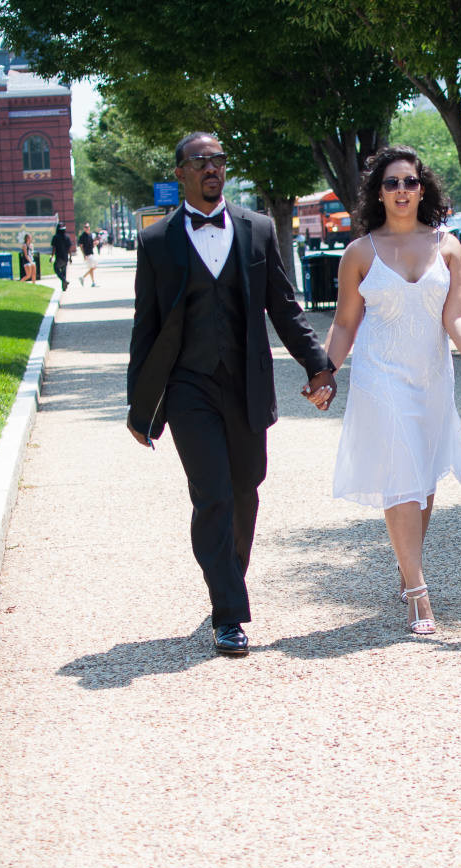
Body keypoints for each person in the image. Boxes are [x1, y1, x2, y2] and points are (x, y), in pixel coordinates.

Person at [126, 131, 337, 658]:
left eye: (217, 160)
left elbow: (285, 308)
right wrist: (140, 405)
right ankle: (229, 614)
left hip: (245, 382)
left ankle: (227, 580)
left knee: (246, 489)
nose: (210, 168)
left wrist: (318, 365)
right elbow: (145, 328)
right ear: (180, 174)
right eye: (199, 161)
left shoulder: (257, 229)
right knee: (213, 493)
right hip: (188, 385)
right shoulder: (157, 243)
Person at [322, 145, 461, 636]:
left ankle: (407, 569)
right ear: (377, 193)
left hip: (431, 378)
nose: (401, 190)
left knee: (422, 484)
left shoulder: (447, 247)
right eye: (391, 183)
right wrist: (324, 373)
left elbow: (459, 317)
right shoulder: (359, 252)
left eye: (409, 181)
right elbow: (344, 324)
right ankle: (418, 594)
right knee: (401, 474)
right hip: (379, 377)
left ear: (422, 189)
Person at [50, 223, 73, 290]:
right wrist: (70, 257)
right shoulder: (67, 237)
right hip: (65, 257)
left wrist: (52, 257)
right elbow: (69, 249)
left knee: (56, 269)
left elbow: (54, 248)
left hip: (59, 257)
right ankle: (64, 286)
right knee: (64, 271)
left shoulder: (55, 237)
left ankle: (64, 281)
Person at [78, 222, 98, 287]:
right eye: (85, 227)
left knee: (92, 268)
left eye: (87, 227)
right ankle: (84, 278)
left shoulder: (90, 235)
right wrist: (84, 255)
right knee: (94, 267)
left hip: (91, 253)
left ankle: (91, 281)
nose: (87, 228)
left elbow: (91, 245)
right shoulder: (82, 236)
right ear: (84, 228)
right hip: (87, 254)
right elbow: (81, 246)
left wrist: (95, 244)